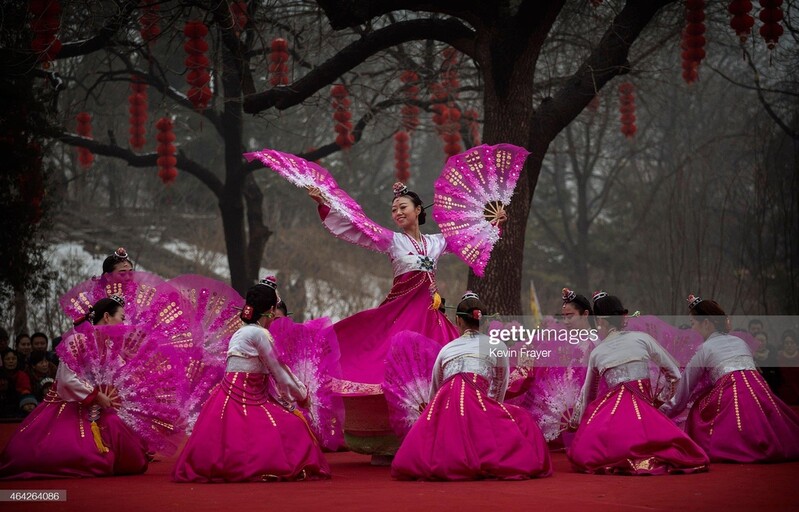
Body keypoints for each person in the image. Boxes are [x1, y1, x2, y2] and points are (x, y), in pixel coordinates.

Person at [307, 182, 504, 394]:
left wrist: (492, 222)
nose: (398, 213)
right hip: (401, 311)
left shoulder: (436, 242)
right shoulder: (393, 241)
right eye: (394, 210)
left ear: (418, 209)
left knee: (443, 358)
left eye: (403, 207)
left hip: (430, 315)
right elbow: (358, 225)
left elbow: (466, 237)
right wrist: (324, 203)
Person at [173, 278, 330, 482]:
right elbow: (278, 370)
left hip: (227, 397)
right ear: (271, 309)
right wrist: (302, 395)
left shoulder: (241, 332)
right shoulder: (259, 334)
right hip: (249, 398)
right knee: (294, 426)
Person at [391, 292, 552, 481]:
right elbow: (500, 384)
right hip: (477, 399)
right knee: (522, 419)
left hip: (445, 404)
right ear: (482, 321)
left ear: (458, 320)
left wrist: (436, 412)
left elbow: (436, 388)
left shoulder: (447, 349)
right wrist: (490, 409)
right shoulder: (497, 345)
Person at [0, 295, 149, 479]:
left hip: (97, 405)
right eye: (122, 317)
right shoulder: (78, 340)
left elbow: (120, 375)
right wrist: (95, 395)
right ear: (107, 317)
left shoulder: (108, 345)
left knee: (120, 433)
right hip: (68, 403)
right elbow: (66, 379)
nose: (124, 323)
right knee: (81, 457)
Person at [567, 292, 709, 475]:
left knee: (589, 452)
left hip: (611, 418)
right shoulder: (642, 339)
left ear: (600, 320)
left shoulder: (597, 352)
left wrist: (578, 423)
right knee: (674, 448)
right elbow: (674, 374)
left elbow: (588, 395)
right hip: (644, 410)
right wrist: (660, 403)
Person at [661, 296, 799, 462]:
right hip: (758, 390)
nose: (692, 329)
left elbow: (685, 387)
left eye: (693, 323)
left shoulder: (705, 349)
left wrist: (661, 412)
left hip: (730, 393)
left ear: (706, 323)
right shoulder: (740, 341)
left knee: (699, 412)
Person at [778, 330, 799, 405]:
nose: (789, 345)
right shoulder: (778, 357)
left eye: (792, 343)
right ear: (783, 345)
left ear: (796, 345)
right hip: (783, 394)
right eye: (786, 343)